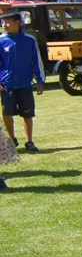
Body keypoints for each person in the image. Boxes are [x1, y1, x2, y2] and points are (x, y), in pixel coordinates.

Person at [0, 9, 45, 152]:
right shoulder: (1, 41)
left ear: (17, 22)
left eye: (8, 21)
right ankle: (12, 139)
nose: (4, 24)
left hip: (25, 84)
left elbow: (36, 61)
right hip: (7, 84)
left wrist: (39, 80)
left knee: (27, 114)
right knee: (7, 113)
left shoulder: (29, 40)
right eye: (3, 22)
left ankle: (29, 141)